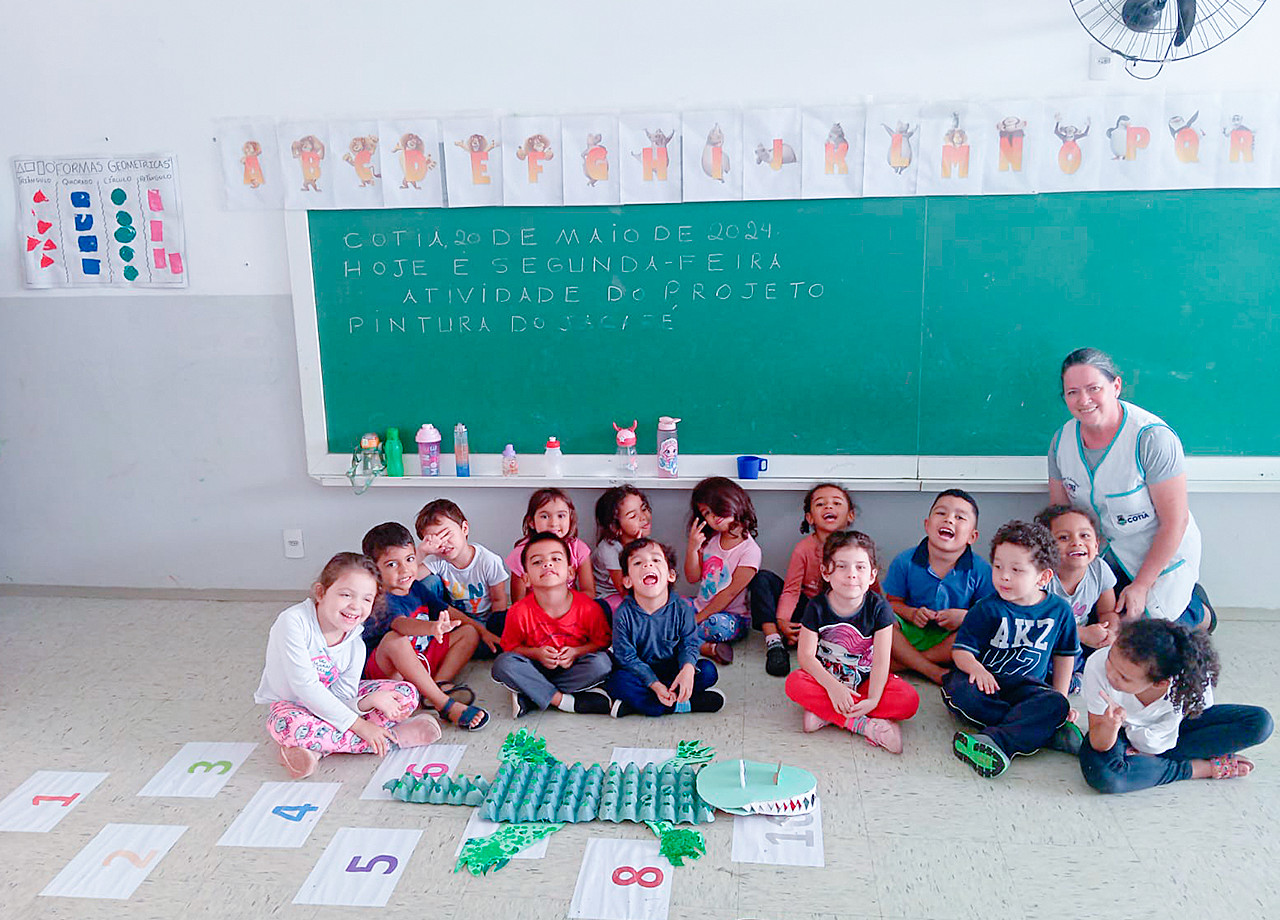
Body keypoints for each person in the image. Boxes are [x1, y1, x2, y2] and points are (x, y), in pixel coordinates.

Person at [1048, 347, 1207, 627]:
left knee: (1151, 640)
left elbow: (1175, 521)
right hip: (1101, 559)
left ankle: (1200, 612)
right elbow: (1059, 518)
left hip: (1159, 557)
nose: (1083, 400)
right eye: (1072, 392)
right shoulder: (1061, 442)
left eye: (1093, 388)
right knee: (1094, 633)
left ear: (1116, 386)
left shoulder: (1152, 438)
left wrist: (1143, 586)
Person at [254, 552, 443, 779]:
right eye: (346, 595)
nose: (355, 606)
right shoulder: (293, 622)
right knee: (287, 725)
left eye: (366, 599)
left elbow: (343, 697)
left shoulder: (356, 642)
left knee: (406, 693)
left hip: (334, 707)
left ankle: (317, 750)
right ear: (321, 592)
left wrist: (367, 702)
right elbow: (305, 688)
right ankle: (394, 738)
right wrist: (362, 727)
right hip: (294, 706)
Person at [945, 521, 1082, 778]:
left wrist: (1060, 699)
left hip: (1026, 689)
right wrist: (977, 669)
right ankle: (1040, 729)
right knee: (961, 693)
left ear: (1043, 577)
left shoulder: (1060, 611)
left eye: (1017, 570)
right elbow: (961, 652)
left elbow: (1064, 656)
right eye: (998, 567)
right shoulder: (986, 608)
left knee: (1054, 702)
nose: (1004, 576)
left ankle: (997, 741)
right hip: (985, 685)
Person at [1080, 619, 1273, 793]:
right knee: (1106, 777)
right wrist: (1111, 726)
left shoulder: (1188, 681)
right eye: (1110, 661)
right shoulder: (1098, 665)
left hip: (1173, 729)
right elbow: (1100, 743)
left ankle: (1145, 761)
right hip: (1120, 732)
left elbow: (1199, 717)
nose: (1111, 674)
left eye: (1124, 677)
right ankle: (1194, 768)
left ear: (1161, 682)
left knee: (1260, 722)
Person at [783, 531, 919, 753]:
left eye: (860, 567)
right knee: (794, 683)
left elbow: (881, 662)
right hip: (827, 682)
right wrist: (834, 688)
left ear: (873, 575)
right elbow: (806, 657)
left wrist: (874, 699)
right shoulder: (816, 607)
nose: (851, 574)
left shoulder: (879, 608)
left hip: (864, 681)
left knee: (908, 700)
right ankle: (865, 725)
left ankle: (827, 714)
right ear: (826, 572)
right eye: (842, 567)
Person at [359, 522, 489, 731]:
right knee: (395, 640)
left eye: (410, 559)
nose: (405, 570)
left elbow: (445, 609)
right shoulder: (379, 600)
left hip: (421, 657)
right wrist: (431, 628)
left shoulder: (415, 587)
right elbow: (401, 625)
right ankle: (444, 703)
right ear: (374, 570)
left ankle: (438, 685)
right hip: (390, 672)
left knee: (468, 632)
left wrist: (483, 631)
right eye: (392, 564)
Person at [492, 532, 614, 717]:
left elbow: (601, 643)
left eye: (556, 559)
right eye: (537, 562)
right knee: (503, 664)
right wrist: (537, 654)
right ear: (526, 578)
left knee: (602, 664)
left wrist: (575, 652)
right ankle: (563, 701)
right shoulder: (518, 611)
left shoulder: (588, 608)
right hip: (534, 667)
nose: (547, 564)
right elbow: (511, 648)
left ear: (571, 572)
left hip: (572, 668)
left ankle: (533, 695)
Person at [883, 489, 994, 685]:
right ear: (927, 525)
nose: (949, 520)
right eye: (941, 513)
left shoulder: (981, 570)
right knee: (882, 620)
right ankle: (931, 670)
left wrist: (963, 616)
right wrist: (912, 613)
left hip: (950, 638)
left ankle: (905, 663)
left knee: (980, 631)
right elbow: (893, 604)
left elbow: (990, 614)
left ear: (972, 536)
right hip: (913, 631)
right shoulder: (904, 561)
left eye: (960, 517)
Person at [606, 538, 724, 717]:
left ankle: (644, 705)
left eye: (655, 560)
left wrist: (687, 669)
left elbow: (689, 644)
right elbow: (626, 657)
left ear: (671, 575)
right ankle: (682, 705)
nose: (647, 565)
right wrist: (654, 684)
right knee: (617, 682)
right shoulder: (623, 614)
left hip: (673, 671)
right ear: (628, 581)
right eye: (638, 563)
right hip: (641, 675)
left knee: (707, 671)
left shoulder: (683, 608)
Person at [751, 483, 859, 678]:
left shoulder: (856, 548)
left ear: (850, 515)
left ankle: (816, 641)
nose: (828, 507)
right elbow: (791, 590)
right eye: (820, 504)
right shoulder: (803, 549)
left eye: (836, 503)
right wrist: (783, 620)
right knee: (762, 579)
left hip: (835, 615)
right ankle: (775, 642)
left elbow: (869, 589)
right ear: (810, 518)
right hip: (806, 608)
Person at [1035, 505, 1118, 690]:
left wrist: (1109, 633)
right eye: (1064, 537)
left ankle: (1078, 677)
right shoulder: (1042, 577)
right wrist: (1083, 634)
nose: (1076, 543)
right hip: (1043, 639)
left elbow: (1107, 611)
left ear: (1096, 545)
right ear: (1046, 548)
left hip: (1078, 646)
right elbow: (1037, 621)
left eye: (1085, 536)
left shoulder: (1099, 570)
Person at [416, 499, 509, 659]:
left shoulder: (487, 560)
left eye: (446, 534)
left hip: (484, 619)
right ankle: (442, 642)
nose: (443, 543)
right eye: (434, 540)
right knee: (426, 584)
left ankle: (468, 645)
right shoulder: (437, 560)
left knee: (501, 636)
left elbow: (499, 600)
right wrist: (422, 552)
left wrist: (491, 631)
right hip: (452, 617)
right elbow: (407, 578)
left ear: (464, 528)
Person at [684, 476, 762, 665]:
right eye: (707, 513)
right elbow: (692, 577)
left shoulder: (750, 551)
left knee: (716, 625)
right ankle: (705, 648)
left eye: (718, 506)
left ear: (736, 501)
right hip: (699, 606)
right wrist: (693, 547)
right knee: (667, 606)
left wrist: (698, 618)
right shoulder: (711, 540)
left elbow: (730, 593)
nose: (713, 516)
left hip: (731, 618)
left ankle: (678, 636)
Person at [507, 488, 595, 602]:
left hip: (570, 609)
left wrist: (564, 609)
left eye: (561, 516)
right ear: (531, 522)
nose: (553, 523)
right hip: (534, 613)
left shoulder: (578, 549)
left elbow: (589, 592)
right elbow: (518, 601)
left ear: (570, 518)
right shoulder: (520, 553)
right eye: (544, 516)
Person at [592, 485, 653, 610]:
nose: (643, 517)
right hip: (608, 596)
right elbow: (624, 590)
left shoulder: (641, 540)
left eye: (644, 509)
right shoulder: (609, 549)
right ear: (615, 527)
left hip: (632, 589)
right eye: (633, 516)